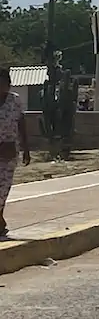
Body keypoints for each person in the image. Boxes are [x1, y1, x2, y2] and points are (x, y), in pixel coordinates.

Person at [0, 67, 31, 239]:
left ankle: (0, 221)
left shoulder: (14, 101)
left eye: (5, 83)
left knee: (3, 189)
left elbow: (21, 123)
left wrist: (26, 148)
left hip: (9, 151)